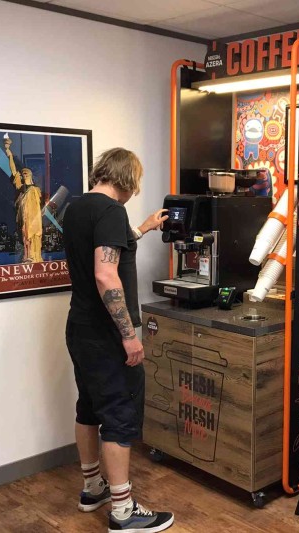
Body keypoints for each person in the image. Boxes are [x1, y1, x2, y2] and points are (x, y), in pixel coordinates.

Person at [62, 147, 171, 533]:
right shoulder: (111, 212)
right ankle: (123, 512)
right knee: (119, 416)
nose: (134, 191)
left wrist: (142, 228)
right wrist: (130, 336)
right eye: (135, 183)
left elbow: (109, 248)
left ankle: (93, 488)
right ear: (127, 179)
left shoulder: (77, 207)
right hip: (107, 333)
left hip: (79, 326)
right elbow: (107, 275)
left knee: (88, 407)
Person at [4, 137, 43, 263]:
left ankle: (35, 256)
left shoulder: (35, 189)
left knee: (34, 236)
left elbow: (40, 205)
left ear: (31, 175)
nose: (24, 174)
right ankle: (27, 256)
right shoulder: (21, 188)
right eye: (23, 173)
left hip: (35, 218)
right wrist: (9, 153)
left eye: (26, 173)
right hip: (24, 216)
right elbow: (13, 170)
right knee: (25, 236)